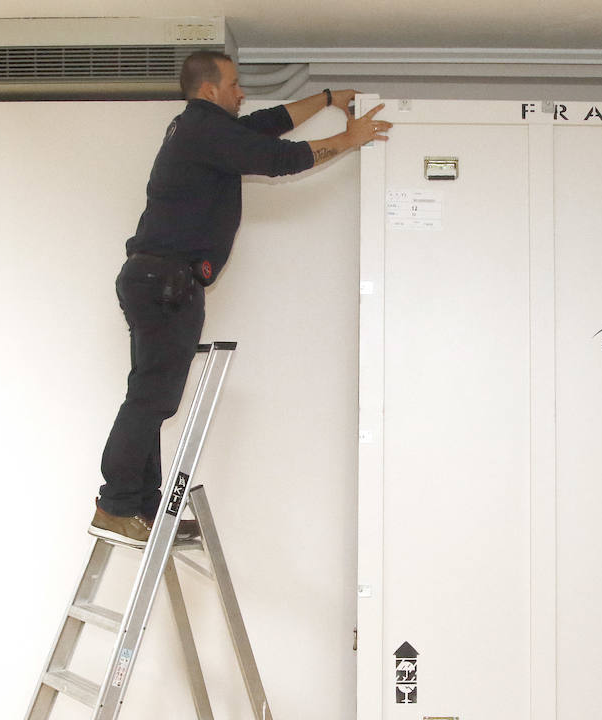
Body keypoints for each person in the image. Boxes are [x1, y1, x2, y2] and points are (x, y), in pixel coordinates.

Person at [89, 51, 392, 545]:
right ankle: (117, 504)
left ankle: (138, 508)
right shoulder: (203, 131)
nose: (241, 91)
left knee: (151, 398)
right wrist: (348, 139)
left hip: (157, 281)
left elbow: (266, 126)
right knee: (152, 400)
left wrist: (330, 99)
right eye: (233, 84)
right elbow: (280, 159)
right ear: (210, 90)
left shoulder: (197, 128)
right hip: (166, 285)